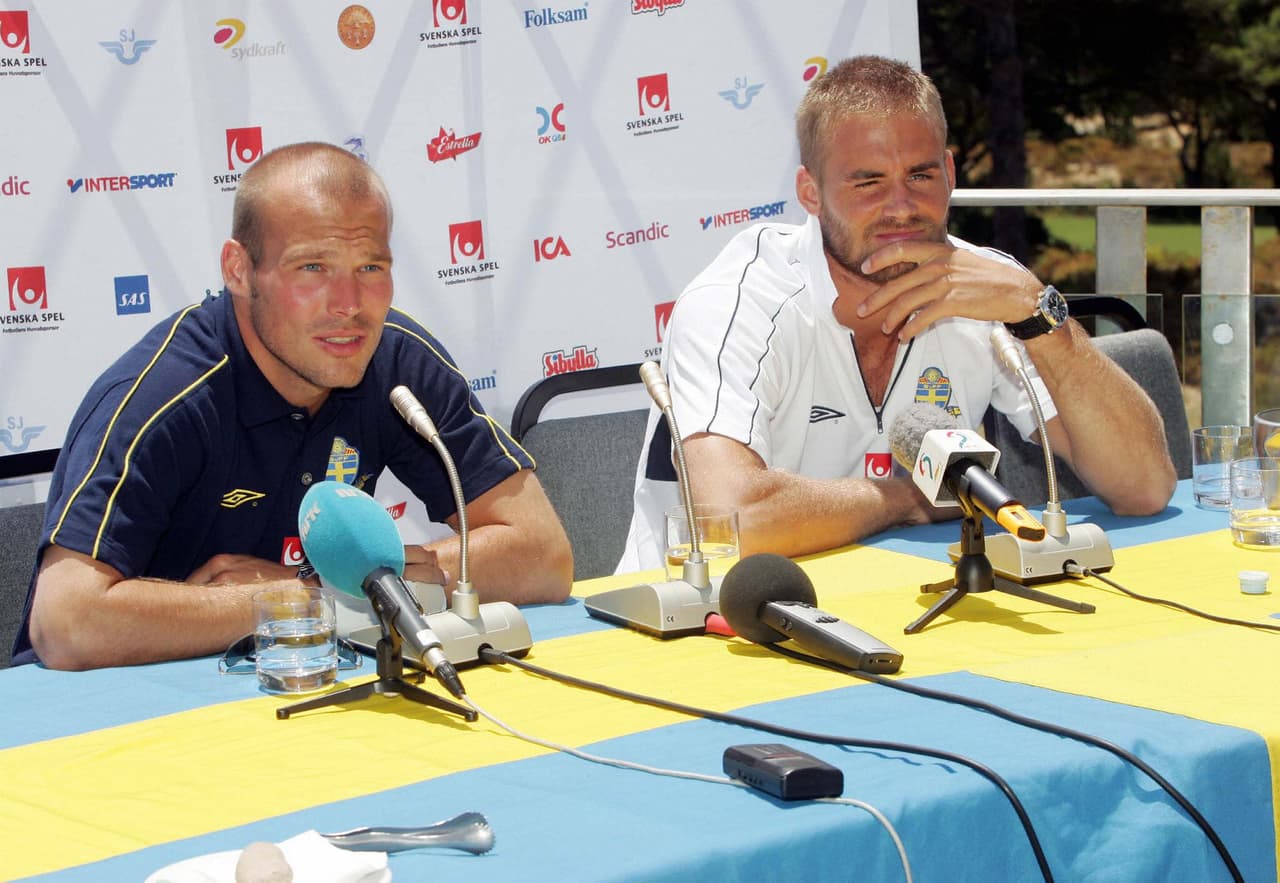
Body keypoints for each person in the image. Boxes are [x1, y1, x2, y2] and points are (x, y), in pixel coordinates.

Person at [16, 142, 573, 670]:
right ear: (238, 270)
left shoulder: (398, 362)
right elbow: (65, 622)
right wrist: (307, 595)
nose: (350, 305)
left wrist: (347, 585)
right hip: (119, 718)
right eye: (312, 267)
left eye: (371, 267)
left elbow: (543, 554)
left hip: (306, 681)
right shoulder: (163, 395)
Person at [618, 55, 1175, 571]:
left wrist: (1041, 319)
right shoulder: (737, 302)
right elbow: (730, 523)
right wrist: (904, 497)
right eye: (868, 182)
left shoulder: (991, 289)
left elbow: (1145, 487)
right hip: (698, 618)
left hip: (894, 598)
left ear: (951, 174)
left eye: (921, 175)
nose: (902, 207)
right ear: (810, 193)